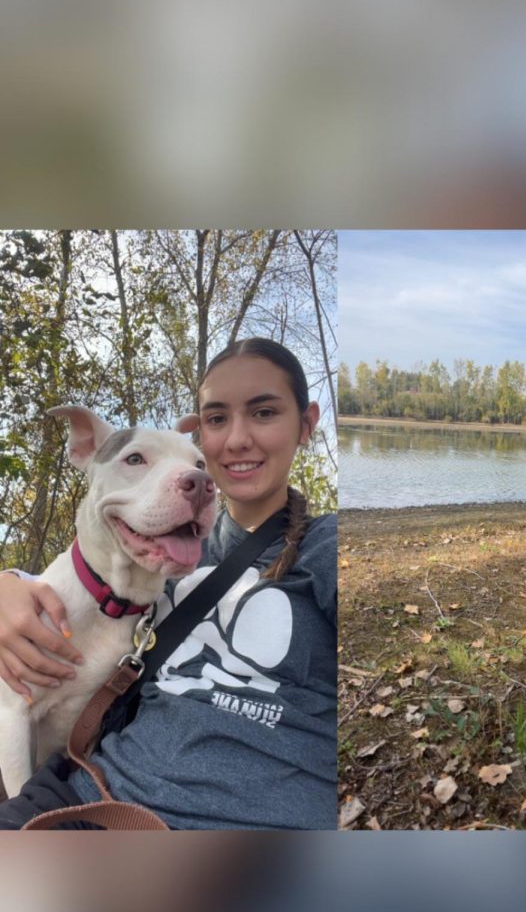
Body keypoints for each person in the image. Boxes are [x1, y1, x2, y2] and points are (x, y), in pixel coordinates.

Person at [0, 338, 337, 829]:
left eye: (264, 412)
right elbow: (87, 583)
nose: (238, 439)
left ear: (306, 424)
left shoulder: (326, 546)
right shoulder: (158, 574)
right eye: (217, 420)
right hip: (85, 796)